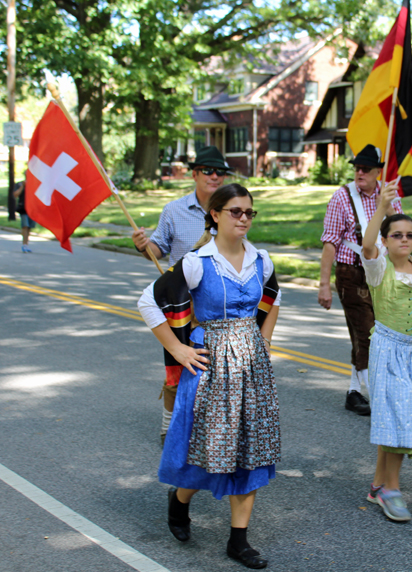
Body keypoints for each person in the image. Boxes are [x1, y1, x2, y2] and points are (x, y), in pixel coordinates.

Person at [138, 183, 281, 569]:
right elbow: (148, 302)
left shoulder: (261, 260)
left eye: (249, 212)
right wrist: (178, 348)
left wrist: (263, 338)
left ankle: (239, 541)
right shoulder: (198, 261)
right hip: (211, 366)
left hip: (251, 366)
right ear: (215, 215)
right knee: (207, 450)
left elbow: (272, 298)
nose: (244, 219)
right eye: (236, 212)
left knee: (250, 451)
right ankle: (180, 500)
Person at [132, 146, 230, 445]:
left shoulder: (230, 208)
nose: (215, 177)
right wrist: (143, 245)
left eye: (220, 172)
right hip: (180, 304)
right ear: (195, 174)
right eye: (208, 171)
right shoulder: (174, 210)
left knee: (214, 366)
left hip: (217, 302)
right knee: (177, 365)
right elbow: (158, 250)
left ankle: (206, 425)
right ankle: (168, 425)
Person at [361, 181, 412, 522]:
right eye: (396, 235)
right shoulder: (380, 269)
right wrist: (381, 207)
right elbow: (366, 245)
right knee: (398, 417)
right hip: (387, 349)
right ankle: (391, 489)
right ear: (386, 240)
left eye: (409, 235)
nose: (404, 240)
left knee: (398, 417)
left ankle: (379, 485)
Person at [318, 144, 403, 415]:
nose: (360, 173)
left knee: (377, 335)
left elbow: (401, 230)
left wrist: (387, 206)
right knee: (368, 335)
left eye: (366, 168)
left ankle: (354, 392)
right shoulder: (342, 197)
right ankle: (380, 399)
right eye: (356, 168)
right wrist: (324, 285)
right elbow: (330, 243)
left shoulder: (388, 194)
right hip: (351, 274)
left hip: (382, 275)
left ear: (379, 171)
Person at [13, 177, 36, 253]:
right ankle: (24, 245)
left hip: (32, 209)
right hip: (23, 209)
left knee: (29, 227)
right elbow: (15, 194)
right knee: (25, 226)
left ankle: (26, 244)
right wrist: (23, 186)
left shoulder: (35, 184)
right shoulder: (19, 184)